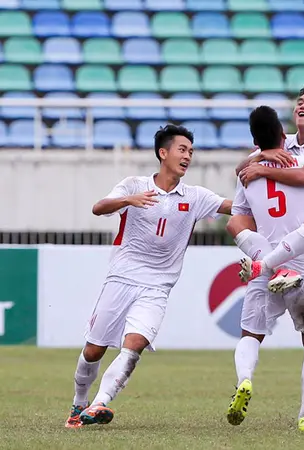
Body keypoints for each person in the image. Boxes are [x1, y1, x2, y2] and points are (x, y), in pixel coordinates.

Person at [65, 124, 233, 428]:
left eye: (191, 152)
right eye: (182, 150)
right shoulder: (133, 185)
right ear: (163, 152)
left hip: (158, 286)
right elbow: (97, 208)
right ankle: (79, 403)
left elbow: (233, 207)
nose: (187, 157)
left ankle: (99, 403)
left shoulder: (195, 196)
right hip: (121, 278)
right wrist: (128, 201)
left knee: (135, 344)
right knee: (93, 350)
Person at [226, 106, 304, 432]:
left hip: (262, 265)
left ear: (255, 141)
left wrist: (254, 163)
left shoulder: (247, 174)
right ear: (284, 137)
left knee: (250, 335)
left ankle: (245, 380)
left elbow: (239, 218)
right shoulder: (303, 165)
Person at [227, 84, 304, 284]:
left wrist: (263, 168)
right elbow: (240, 171)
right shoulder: (284, 141)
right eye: (300, 103)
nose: (302, 106)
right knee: (235, 222)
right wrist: (261, 155)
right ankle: (279, 269)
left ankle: (264, 266)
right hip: (284, 227)